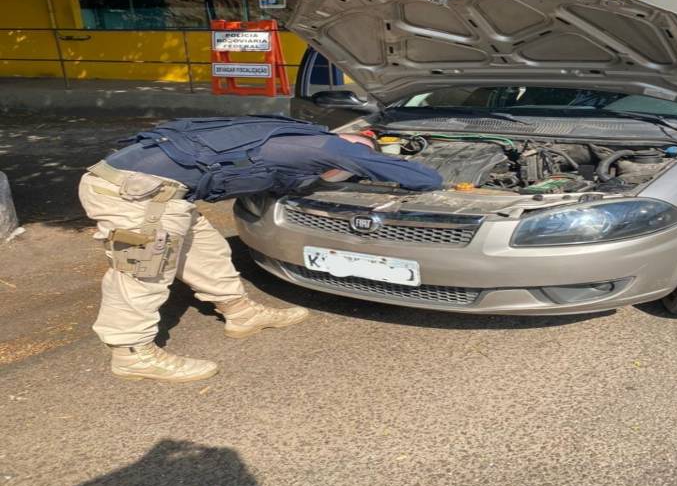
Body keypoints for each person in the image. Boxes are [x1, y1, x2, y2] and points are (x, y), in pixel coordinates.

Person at [78, 115, 442, 383]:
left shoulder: (295, 133)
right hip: (132, 193)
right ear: (346, 150)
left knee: (206, 252)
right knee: (143, 272)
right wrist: (440, 181)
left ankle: (241, 313)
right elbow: (422, 178)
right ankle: (131, 353)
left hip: (164, 190)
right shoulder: (331, 147)